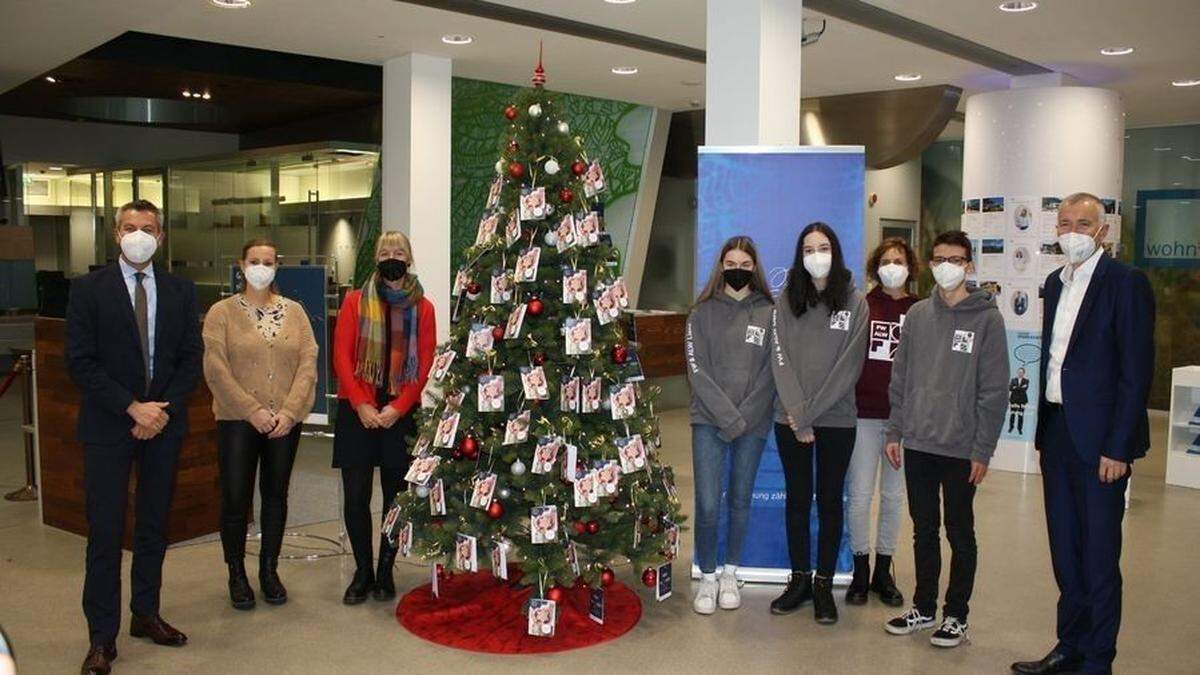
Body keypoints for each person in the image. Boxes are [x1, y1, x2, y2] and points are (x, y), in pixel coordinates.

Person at [1012, 193, 1155, 675]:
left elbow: (1136, 374)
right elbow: (1059, 362)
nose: (1073, 231)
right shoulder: (1055, 282)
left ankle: (1098, 660)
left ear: (1103, 231)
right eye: (1066, 222)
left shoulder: (1126, 283)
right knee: (1065, 554)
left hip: (1101, 446)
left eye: (1084, 223)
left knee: (1097, 558)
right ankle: (1068, 646)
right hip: (1057, 434)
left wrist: (1118, 447)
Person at [66, 200, 203, 675]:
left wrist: (159, 410)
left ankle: (145, 613)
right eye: (129, 227)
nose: (138, 235)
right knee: (104, 532)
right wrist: (131, 406)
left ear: (160, 238)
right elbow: (80, 362)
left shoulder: (181, 291)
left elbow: (191, 358)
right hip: (109, 424)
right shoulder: (87, 290)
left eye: (147, 228)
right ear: (115, 235)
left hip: (163, 425)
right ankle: (101, 638)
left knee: (152, 526)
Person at [882, 230, 1008, 648]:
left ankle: (957, 615)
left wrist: (982, 449)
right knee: (923, 530)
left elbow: (994, 391)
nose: (946, 266)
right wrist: (896, 429)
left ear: (969, 264)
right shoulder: (918, 314)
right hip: (918, 441)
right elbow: (900, 377)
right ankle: (923, 607)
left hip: (960, 447)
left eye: (955, 259)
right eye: (938, 259)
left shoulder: (987, 318)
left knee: (960, 531)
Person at [202, 239, 318, 610]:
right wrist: (251, 409)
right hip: (238, 420)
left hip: (285, 421)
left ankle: (269, 569)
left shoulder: (295, 312)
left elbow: (308, 363)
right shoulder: (221, 312)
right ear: (241, 264)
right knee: (236, 499)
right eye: (254, 261)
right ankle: (236, 573)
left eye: (268, 261)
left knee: (276, 495)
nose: (261, 267)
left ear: (277, 267)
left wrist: (290, 410)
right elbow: (216, 368)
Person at [769, 222, 869, 625]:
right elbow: (778, 358)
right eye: (808, 248)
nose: (816, 255)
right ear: (800, 255)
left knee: (829, 502)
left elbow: (849, 367)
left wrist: (808, 415)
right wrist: (798, 413)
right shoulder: (785, 301)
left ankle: (825, 583)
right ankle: (799, 580)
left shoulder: (855, 302)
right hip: (789, 417)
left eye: (823, 246)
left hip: (836, 421)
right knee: (796, 500)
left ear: (836, 250)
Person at [332, 231, 436, 605]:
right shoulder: (354, 302)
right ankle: (362, 571)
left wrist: (399, 407)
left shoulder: (423, 308)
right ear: (375, 258)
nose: (392, 256)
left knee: (396, 498)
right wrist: (361, 403)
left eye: (399, 251)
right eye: (385, 251)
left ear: (409, 259)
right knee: (356, 497)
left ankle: (385, 569)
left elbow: (424, 364)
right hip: (356, 411)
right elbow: (342, 357)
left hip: (399, 412)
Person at [684, 235, 775, 616]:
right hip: (709, 422)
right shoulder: (701, 312)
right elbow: (697, 370)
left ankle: (730, 573)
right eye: (731, 263)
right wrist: (728, 417)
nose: (738, 269)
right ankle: (707, 574)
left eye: (745, 264)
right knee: (707, 503)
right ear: (721, 266)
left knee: (739, 500)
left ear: (754, 268)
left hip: (753, 423)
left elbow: (773, 372)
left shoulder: (771, 311)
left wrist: (743, 418)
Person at [845, 238, 920, 607]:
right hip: (862, 416)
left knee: (893, 498)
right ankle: (860, 570)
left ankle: (883, 573)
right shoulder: (862, 305)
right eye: (887, 260)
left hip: (902, 422)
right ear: (876, 266)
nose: (893, 266)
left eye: (900, 260)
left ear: (910, 266)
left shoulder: (921, 310)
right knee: (859, 497)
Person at [1008, 367, 1030, 435]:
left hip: (1022, 400)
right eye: (1019, 372)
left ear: (1024, 373)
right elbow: (1010, 388)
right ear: (1017, 372)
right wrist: (1020, 387)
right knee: (1012, 414)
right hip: (1014, 399)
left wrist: (1016, 387)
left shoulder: (1026, 380)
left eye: (1021, 372)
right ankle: (1011, 427)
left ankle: (1019, 429)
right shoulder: (1013, 380)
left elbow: (1025, 389)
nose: (1020, 373)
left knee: (1020, 415)